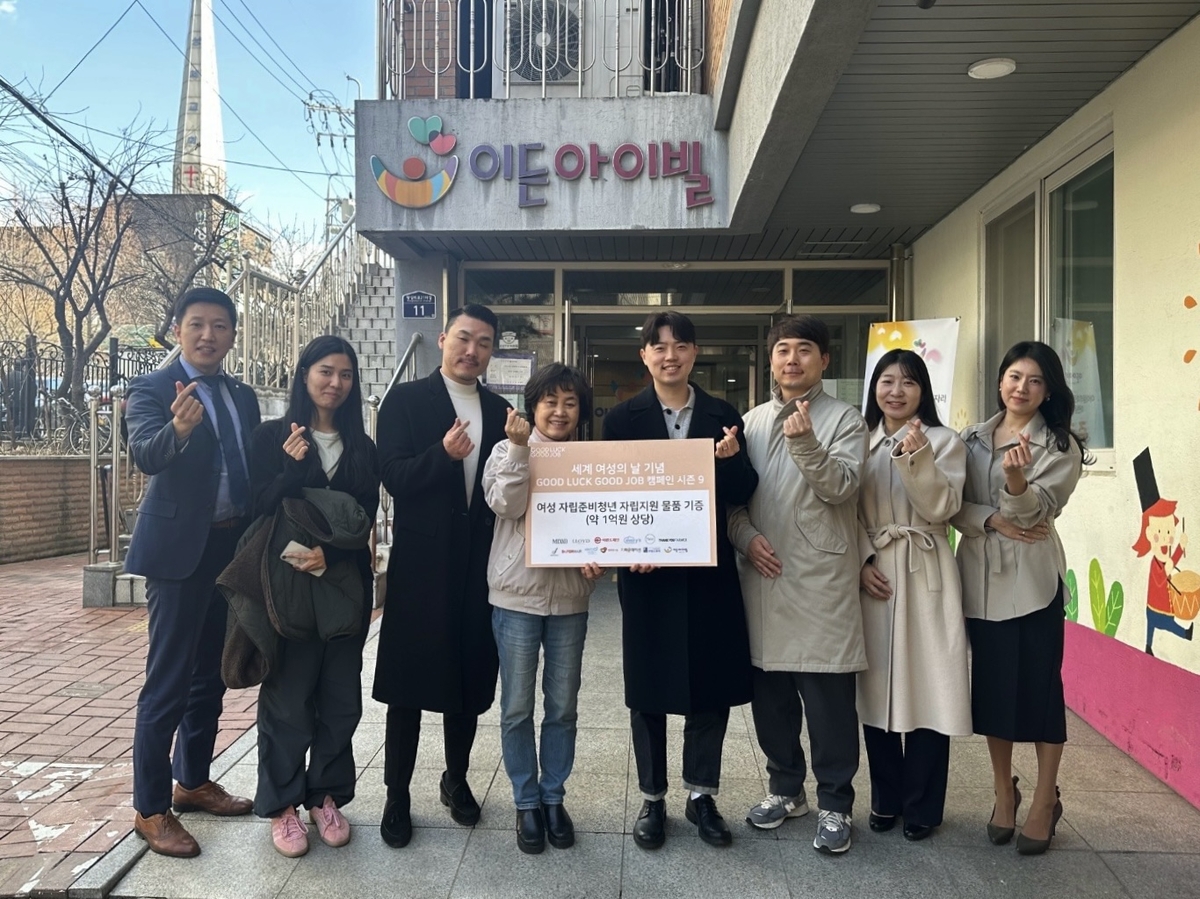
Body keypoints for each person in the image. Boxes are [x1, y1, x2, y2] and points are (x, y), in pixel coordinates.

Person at [602, 310, 758, 851]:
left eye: (681, 346)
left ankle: (701, 795)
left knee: (709, 686)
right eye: (659, 346)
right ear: (644, 355)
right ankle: (652, 798)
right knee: (648, 686)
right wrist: (631, 548)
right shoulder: (621, 420)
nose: (670, 356)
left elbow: (743, 491)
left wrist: (730, 461)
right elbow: (612, 497)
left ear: (694, 353)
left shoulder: (722, 415)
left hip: (708, 572)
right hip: (646, 577)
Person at [124, 288, 260, 857]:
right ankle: (150, 808)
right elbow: (144, 454)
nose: (208, 335)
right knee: (168, 681)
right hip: (179, 553)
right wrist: (177, 431)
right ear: (178, 329)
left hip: (230, 547)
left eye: (220, 325)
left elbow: (250, 462)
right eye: (197, 324)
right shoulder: (152, 388)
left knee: (210, 674)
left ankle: (193, 781)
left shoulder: (242, 395)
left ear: (232, 334)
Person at [728, 314, 868, 855]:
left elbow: (842, 487)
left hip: (819, 580)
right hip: (763, 576)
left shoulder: (845, 419)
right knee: (772, 698)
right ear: (770, 360)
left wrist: (806, 443)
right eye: (783, 349)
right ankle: (786, 789)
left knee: (829, 701)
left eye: (804, 349)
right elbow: (733, 502)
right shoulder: (751, 421)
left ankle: (835, 802)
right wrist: (746, 539)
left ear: (824, 360)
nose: (792, 359)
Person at [372, 304, 511, 848]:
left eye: (484, 342)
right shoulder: (405, 401)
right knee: (406, 687)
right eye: (464, 338)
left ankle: (456, 778)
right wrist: (442, 454)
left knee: (468, 679)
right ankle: (397, 795)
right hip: (422, 567)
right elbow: (393, 476)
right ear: (442, 338)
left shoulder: (499, 410)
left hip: (481, 564)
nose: (472, 350)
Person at [950, 340, 1086, 856]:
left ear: (1048, 390)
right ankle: (1004, 791)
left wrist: (1014, 482)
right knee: (993, 694)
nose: (1021, 388)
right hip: (980, 585)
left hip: (1032, 585)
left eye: (1034, 380)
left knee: (1040, 694)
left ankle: (1045, 799)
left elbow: (1034, 515)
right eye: (1014, 376)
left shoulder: (1061, 447)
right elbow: (950, 505)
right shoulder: (972, 438)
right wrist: (989, 518)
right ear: (1001, 380)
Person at [246, 336, 380, 857]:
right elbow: (256, 507)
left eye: (345, 375)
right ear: (304, 374)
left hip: (344, 585)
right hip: (289, 588)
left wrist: (333, 555)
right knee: (288, 698)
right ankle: (282, 805)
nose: (335, 383)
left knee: (341, 700)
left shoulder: (362, 448)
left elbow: (364, 520)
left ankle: (325, 796)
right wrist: (290, 470)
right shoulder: (272, 436)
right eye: (325, 371)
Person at [482, 363, 606, 854]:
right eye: (550, 401)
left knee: (563, 706)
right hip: (516, 595)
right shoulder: (505, 450)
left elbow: (604, 522)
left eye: (570, 403)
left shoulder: (590, 461)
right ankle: (525, 800)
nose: (559, 411)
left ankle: (554, 796)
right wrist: (518, 450)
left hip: (570, 599)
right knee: (516, 706)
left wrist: (602, 554)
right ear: (532, 406)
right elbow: (505, 506)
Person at [855, 350, 971, 842]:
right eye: (886, 381)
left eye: (908, 382)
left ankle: (922, 805)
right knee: (876, 688)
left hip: (927, 571)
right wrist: (861, 561)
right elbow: (844, 510)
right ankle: (885, 798)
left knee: (931, 685)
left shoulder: (944, 442)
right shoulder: (859, 441)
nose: (896, 391)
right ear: (874, 389)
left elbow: (942, 506)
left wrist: (916, 457)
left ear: (924, 390)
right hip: (876, 572)